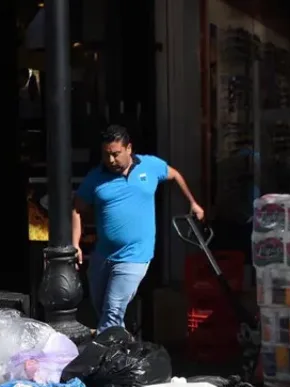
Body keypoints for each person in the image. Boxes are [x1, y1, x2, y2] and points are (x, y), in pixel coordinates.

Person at [73, 125, 204, 331]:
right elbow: (77, 209)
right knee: (101, 308)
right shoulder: (95, 177)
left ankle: (107, 349)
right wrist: (75, 244)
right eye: (106, 155)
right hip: (103, 255)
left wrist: (193, 203)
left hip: (135, 255)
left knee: (113, 310)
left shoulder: (149, 166)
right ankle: (123, 346)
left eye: (116, 154)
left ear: (129, 148)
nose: (111, 160)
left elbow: (175, 175)